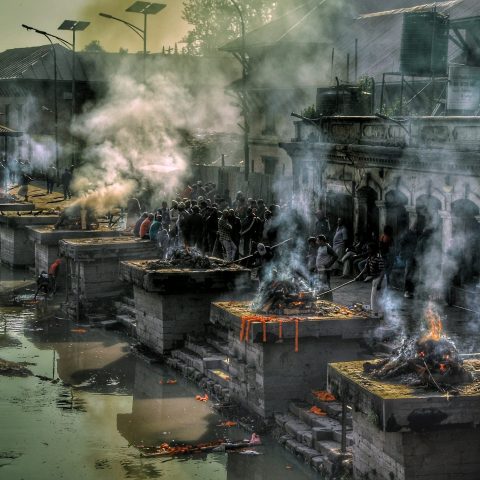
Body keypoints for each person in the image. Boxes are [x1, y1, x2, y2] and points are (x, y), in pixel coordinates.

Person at [357, 242, 385, 317]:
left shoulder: (379, 257)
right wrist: (359, 276)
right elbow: (366, 268)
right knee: (373, 298)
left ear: (373, 249)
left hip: (380, 279)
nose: (367, 250)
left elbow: (382, 271)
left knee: (379, 298)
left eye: (369, 249)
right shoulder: (370, 257)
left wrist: (379, 283)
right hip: (375, 278)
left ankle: (381, 315)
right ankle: (375, 314)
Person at [315, 234, 338, 299]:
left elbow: (335, 256)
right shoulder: (320, 247)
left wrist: (328, 264)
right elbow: (318, 257)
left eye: (318, 241)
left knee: (326, 284)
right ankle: (324, 298)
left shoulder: (327, 247)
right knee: (322, 284)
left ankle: (329, 299)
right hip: (320, 269)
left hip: (325, 270)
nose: (317, 242)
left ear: (322, 240)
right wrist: (316, 267)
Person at [400, 225, 418, 298]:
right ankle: (407, 291)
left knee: (413, 274)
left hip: (414, 257)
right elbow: (402, 245)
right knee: (408, 274)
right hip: (409, 257)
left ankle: (411, 291)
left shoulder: (415, 236)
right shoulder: (407, 236)